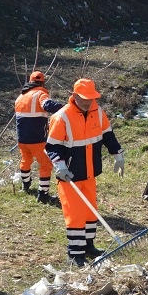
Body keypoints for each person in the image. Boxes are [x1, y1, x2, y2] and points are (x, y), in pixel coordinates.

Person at [45, 78, 125, 267]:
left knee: (90, 211)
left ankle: (88, 246)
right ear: (74, 96)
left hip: (90, 172)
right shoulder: (62, 116)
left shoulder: (98, 112)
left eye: (91, 98)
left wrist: (118, 155)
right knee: (75, 215)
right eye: (84, 98)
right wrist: (60, 166)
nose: (88, 102)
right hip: (69, 175)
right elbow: (52, 146)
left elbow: (108, 136)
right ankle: (75, 254)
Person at [14, 70, 63, 204]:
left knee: (26, 160)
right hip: (37, 139)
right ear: (43, 82)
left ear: (30, 82)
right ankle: (43, 194)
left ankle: (26, 185)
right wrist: (67, 109)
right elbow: (48, 105)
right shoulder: (40, 94)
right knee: (46, 164)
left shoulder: (20, 97)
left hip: (22, 139)